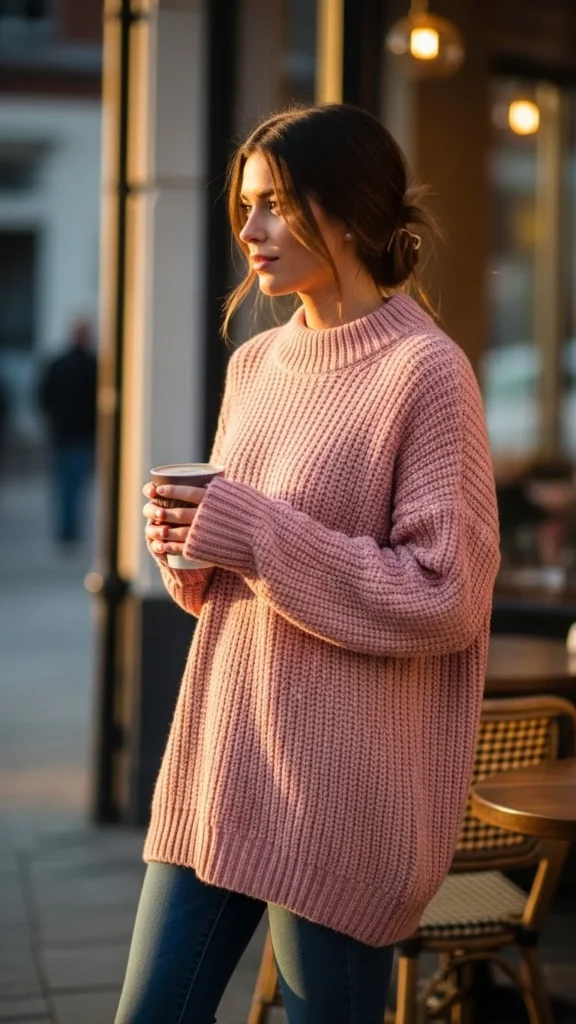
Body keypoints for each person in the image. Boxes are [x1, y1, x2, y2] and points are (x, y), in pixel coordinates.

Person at [116, 105, 501, 1023]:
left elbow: (445, 595)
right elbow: (239, 575)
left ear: (353, 213)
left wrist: (251, 530)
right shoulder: (254, 365)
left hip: (344, 792)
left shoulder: (426, 372)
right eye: (244, 206)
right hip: (225, 755)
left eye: (276, 205)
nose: (248, 230)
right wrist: (187, 549)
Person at [38, 318, 97, 546]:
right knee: (76, 486)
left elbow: (43, 397)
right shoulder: (92, 365)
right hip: (81, 435)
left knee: (64, 486)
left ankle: (66, 530)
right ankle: (69, 531)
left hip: (62, 434)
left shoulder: (58, 363)